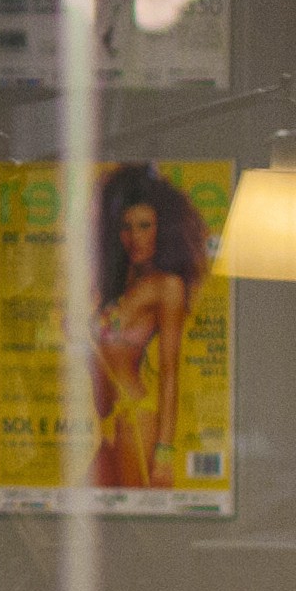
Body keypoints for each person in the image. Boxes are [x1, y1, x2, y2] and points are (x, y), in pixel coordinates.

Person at [85, 163, 206, 493]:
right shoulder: (114, 288)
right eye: (126, 227)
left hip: (137, 418)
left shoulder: (167, 287)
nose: (135, 237)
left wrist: (164, 454)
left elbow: (169, 373)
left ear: (160, 230)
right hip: (106, 422)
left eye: (145, 226)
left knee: (139, 516)